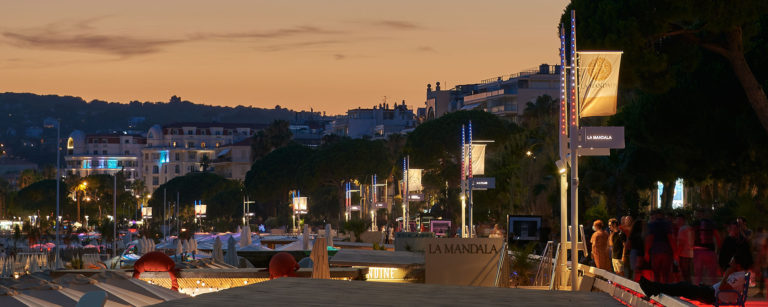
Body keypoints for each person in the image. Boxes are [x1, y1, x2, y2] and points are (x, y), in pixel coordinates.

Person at [639, 242, 753, 305]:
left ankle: (653, 288)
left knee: (682, 287)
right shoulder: (738, 274)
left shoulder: (739, 276)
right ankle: (653, 288)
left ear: (738, 264)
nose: (730, 262)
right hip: (709, 292)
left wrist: (727, 273)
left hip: (711, 295)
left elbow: (723, 287)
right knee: (682, 286)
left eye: (732, 261)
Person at [645, 210, 677, 283]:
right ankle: (665, 290)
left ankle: (658, 289)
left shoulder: (651, 225)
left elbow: (649, 238)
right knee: (666, 273)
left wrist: (646, 252)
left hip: (655, 251)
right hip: (666, 251)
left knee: (656, 273)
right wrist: (675, 252)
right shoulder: (667, 224)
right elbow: (671, 238)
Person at [693, 210, 722, 285]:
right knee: (712, 274)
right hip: (709, 250)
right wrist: (719, 249)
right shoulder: (711, 224)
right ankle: (713, 291)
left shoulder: (696, 224)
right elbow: (717, 237)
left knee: (698, 274)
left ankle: (697, 290)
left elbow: (692, 236)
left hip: (698, 250)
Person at [675, 214, 695, 283]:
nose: (676, 222)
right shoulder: (690, 228)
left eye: (678, 220)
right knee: (688, 273)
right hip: (690, 253)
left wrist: (677, 255)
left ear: (682, 220)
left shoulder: (682, 229)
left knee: (685, 273)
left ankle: (687, 289)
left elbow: (681, 243)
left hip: (684, 254)